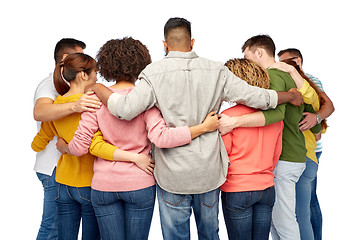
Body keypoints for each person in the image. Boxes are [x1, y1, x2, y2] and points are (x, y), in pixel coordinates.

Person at [85, 18, 302, 240]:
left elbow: (125, 109)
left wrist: (97, 86)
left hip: (172, 175)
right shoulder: (217, 70)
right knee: (209, 235)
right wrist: (289, 96)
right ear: (192, 42)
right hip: (208, 173)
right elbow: (257, 97)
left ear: (165, 44)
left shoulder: (152, 73)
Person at [56, 37, 219, 240]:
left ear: (105, 65)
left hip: (104, 185)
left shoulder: (95, 99)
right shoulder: (146, 98)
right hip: (140, 183)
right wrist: (202, 128)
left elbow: (80, 147)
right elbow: (162, 137)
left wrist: (63, 147)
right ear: (141, 64)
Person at [218, 35, 322, 240]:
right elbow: (314, 111)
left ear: (259, 53)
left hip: (277, 166)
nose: (248, 64)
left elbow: (275, 115)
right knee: (292, 218)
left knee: (285, 223)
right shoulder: (291, 76)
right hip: (286, 163)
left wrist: (234, 122)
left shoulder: (273, 77)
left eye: (248, 57)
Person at [32, 38, 101, 240]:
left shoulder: (66, 89)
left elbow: (44, 133)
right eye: (78, 57)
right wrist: (75, 106)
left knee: (59, 231)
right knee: (52, 229)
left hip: (64, 173)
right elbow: (40, 112)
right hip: (55, 169)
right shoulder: (49, 85)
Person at [220, 58, 284, 240]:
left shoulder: (227, 117)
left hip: (237, 189)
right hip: (266, 189)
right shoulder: (274, 118)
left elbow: (223, 157)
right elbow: (275, 156)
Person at [278, 48, 334, 240]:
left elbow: (329, 106)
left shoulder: (310, 82)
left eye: (290, 62)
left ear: (299, 60)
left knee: (306, 205)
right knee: (302, 205)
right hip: (303, 152)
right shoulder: (288, 83)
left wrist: (316, 118)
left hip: (309, 153)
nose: (286, 65)